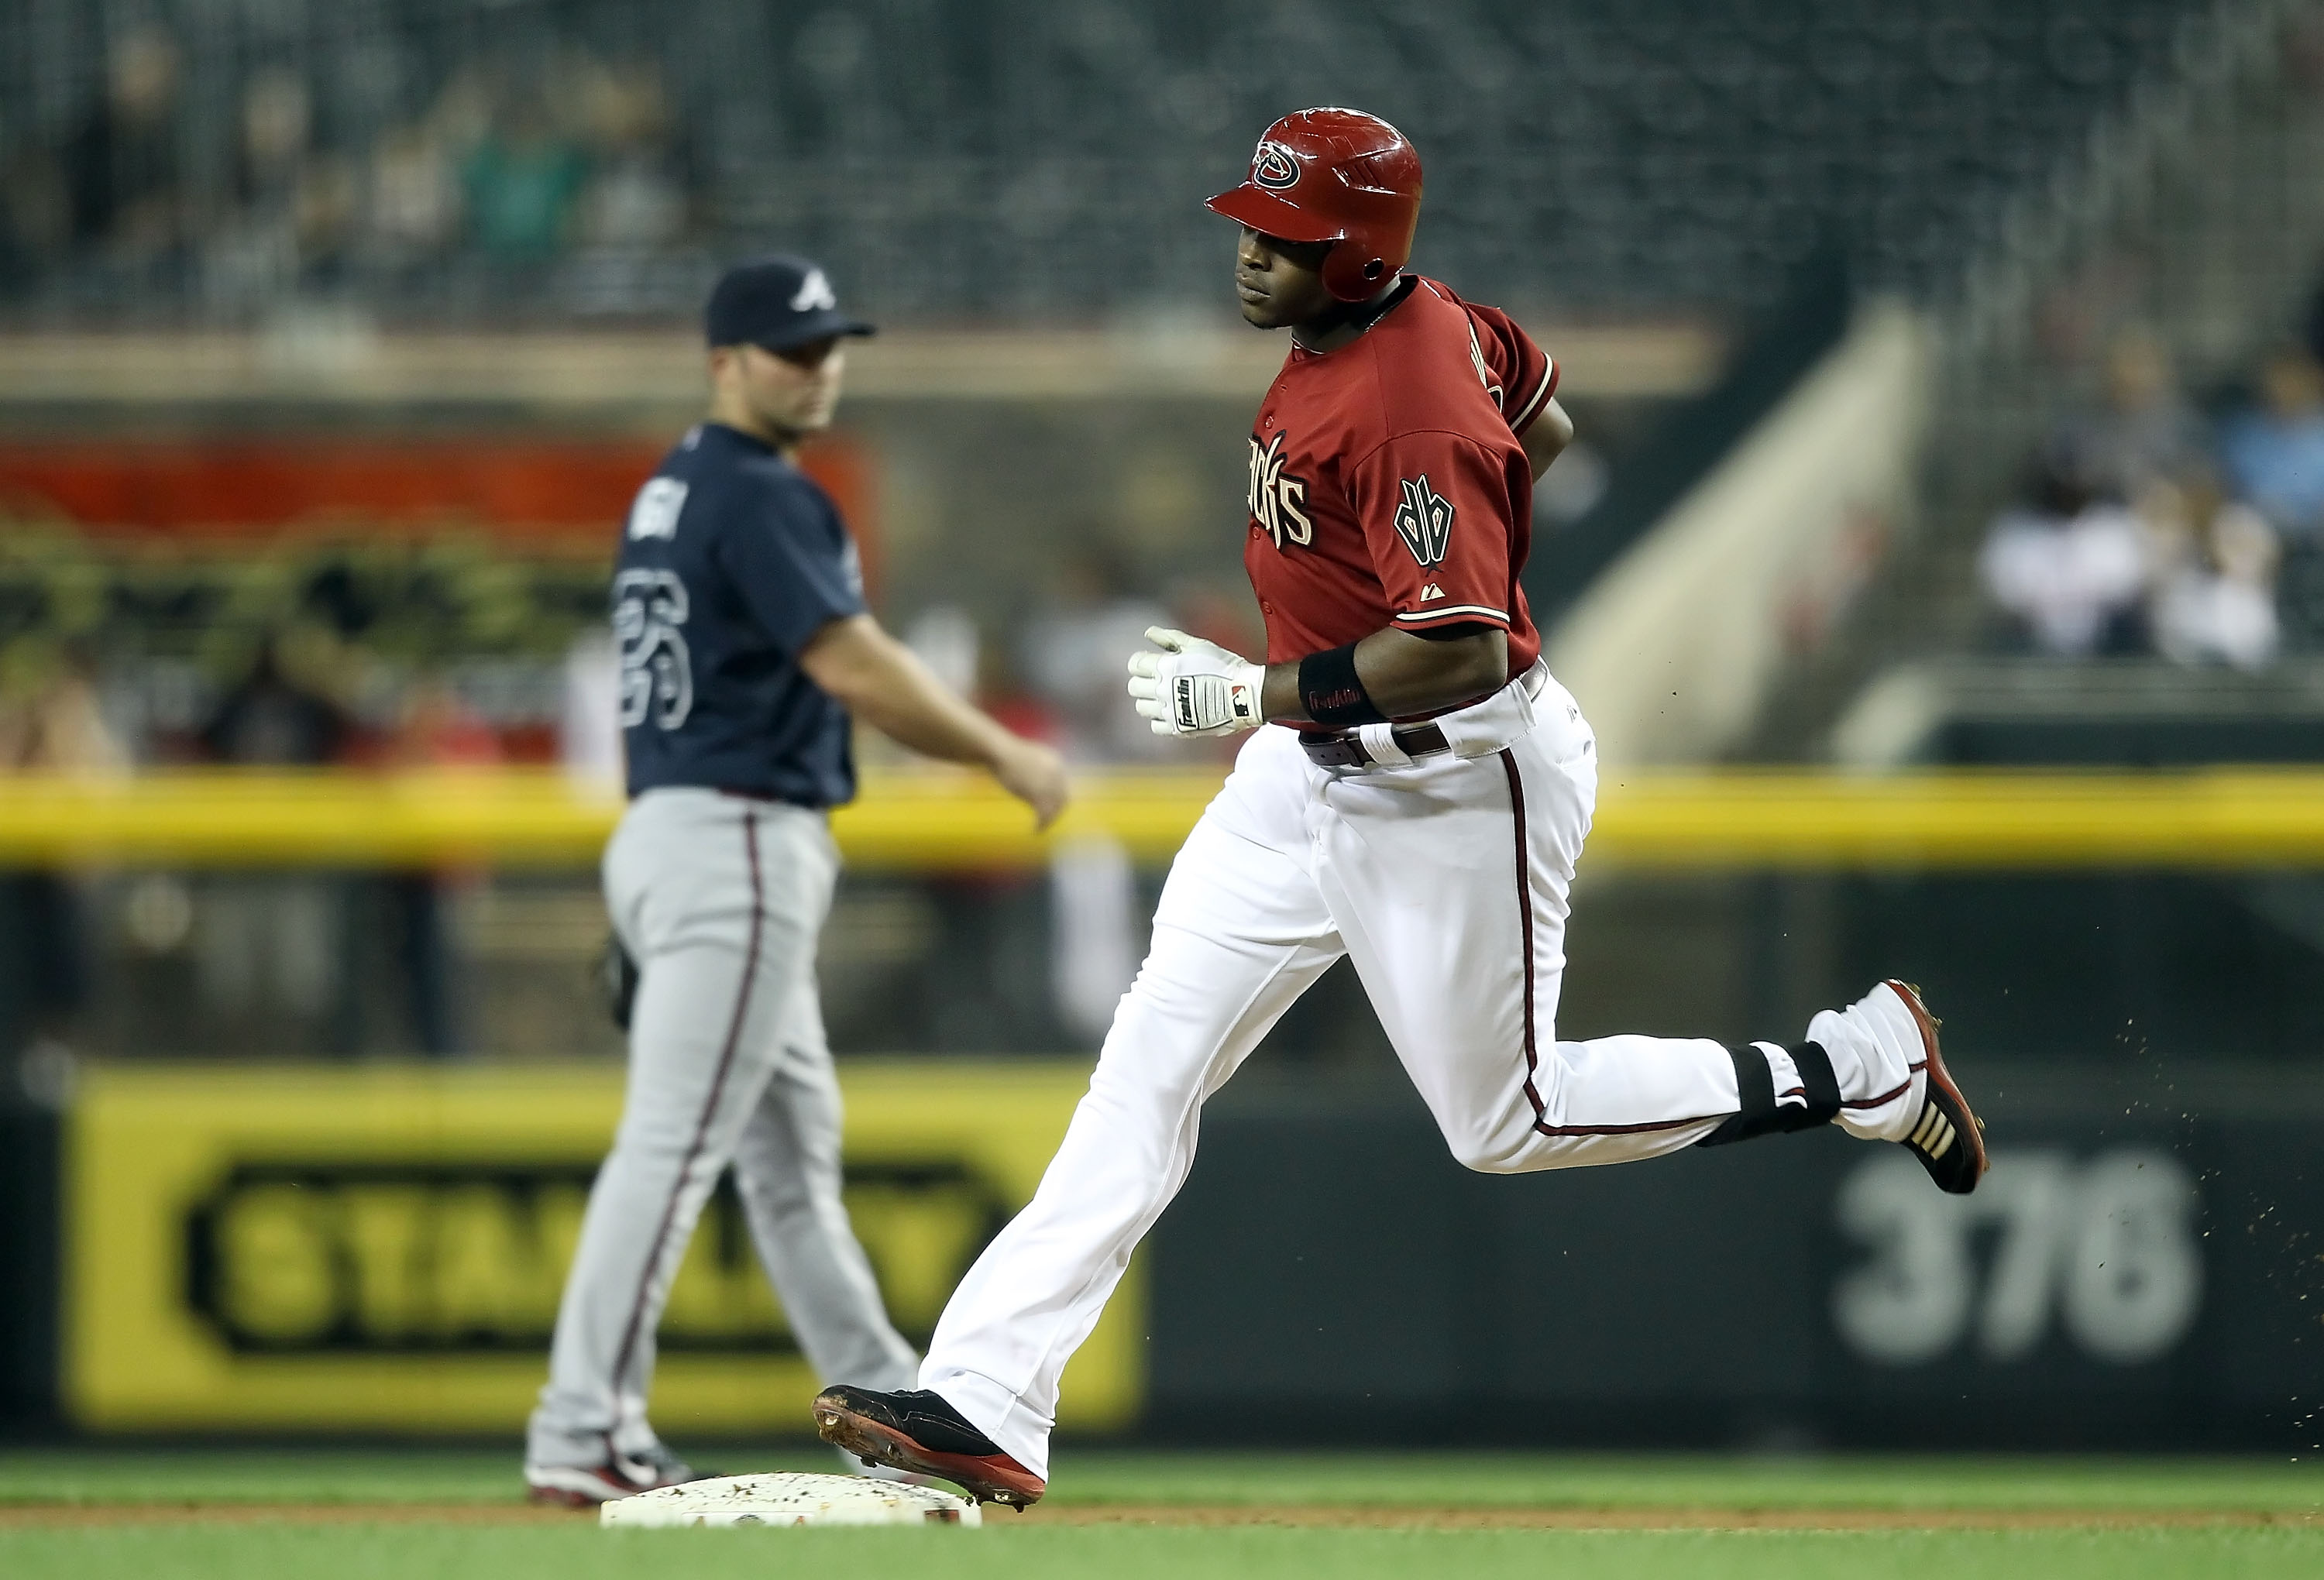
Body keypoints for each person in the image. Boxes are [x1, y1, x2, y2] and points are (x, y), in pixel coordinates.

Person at [812, 109, 1988, 1509]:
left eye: (1285, 235)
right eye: (1253, 223)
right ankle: (985, 1395)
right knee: (1149, 1065)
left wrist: (1259, 689)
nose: (1251, 252)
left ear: (1358, 254)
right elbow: (1541, 424)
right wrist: (1391, 599)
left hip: (1450, 774)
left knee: (1510, 1119)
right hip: (1312, 769)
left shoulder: (1407, 393)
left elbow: (1464, 646)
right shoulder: (1425, 332)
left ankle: (1859, 1066)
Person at [524, 254, 1070, 1505]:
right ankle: (582, 1425)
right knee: (674, 1147)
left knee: (786, 1158)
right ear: (724, 361)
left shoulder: (671, 488)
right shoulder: (764, 491)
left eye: (829, 346)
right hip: (738, 841)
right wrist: (1001, 751)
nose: (817, 368)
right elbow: (856, 665)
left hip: (679, 823)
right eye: (791, 348)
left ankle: (886, 1397)